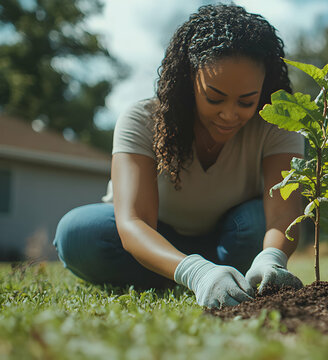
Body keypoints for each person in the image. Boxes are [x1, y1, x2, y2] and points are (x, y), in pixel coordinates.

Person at [53, 4, 305, 309]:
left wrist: (272, 258)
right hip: (154, 237)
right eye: (214, 98)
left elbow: (282, 216)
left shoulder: (279, 125)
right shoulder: (142, 120)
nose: (229, 114)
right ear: (189, 78)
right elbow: (133, 222)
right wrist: (195, 272)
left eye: (246, 101)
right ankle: (185, 273)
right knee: (78, 234)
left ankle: (213, 275)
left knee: (256, 222)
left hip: (230, 239)